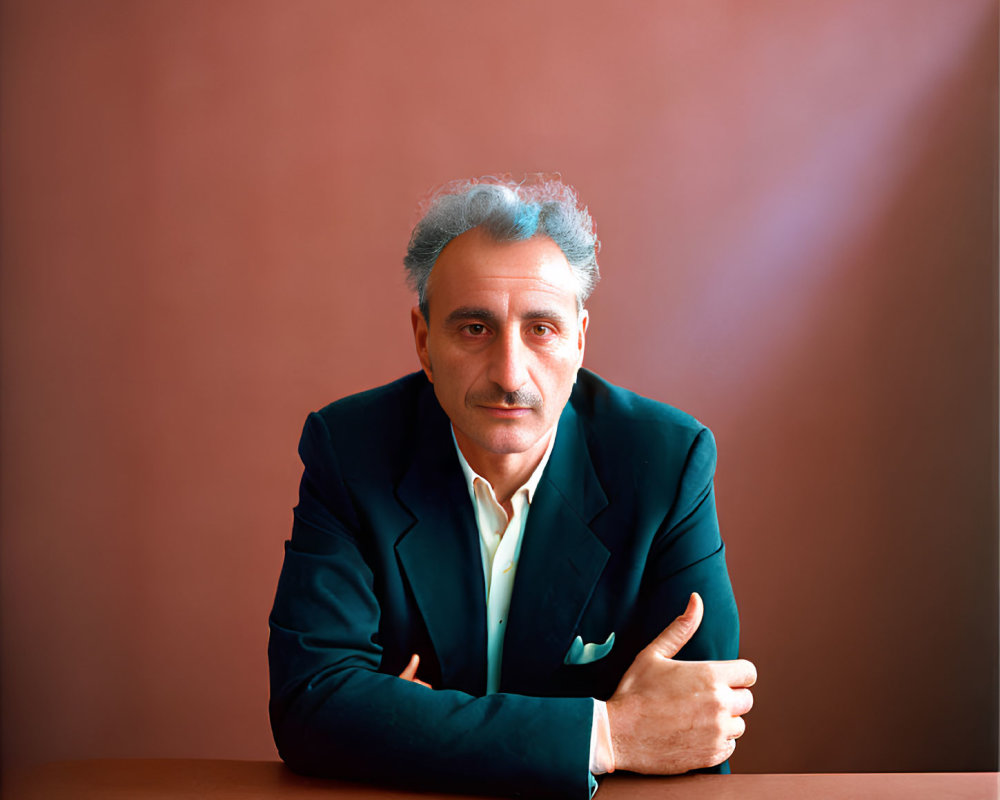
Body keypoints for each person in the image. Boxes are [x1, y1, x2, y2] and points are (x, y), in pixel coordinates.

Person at [268, 176, 756, 799]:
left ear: (579, 340)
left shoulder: (665, 463)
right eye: (474, 329)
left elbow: (696, 731)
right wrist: (607, 733)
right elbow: (313, 706)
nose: (509, 374)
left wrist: (407, 727)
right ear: (423, 341)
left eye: (541, 329)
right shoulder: (351, 452)